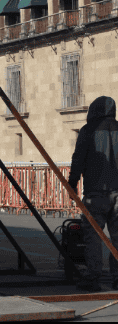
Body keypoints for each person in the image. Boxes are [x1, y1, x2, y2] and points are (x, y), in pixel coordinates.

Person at [68, 96, 118, 292]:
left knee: (93, 237)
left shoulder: (88, 130)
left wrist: (72, 183)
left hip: (95, 193)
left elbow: (78, 158)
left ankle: (93, 277)